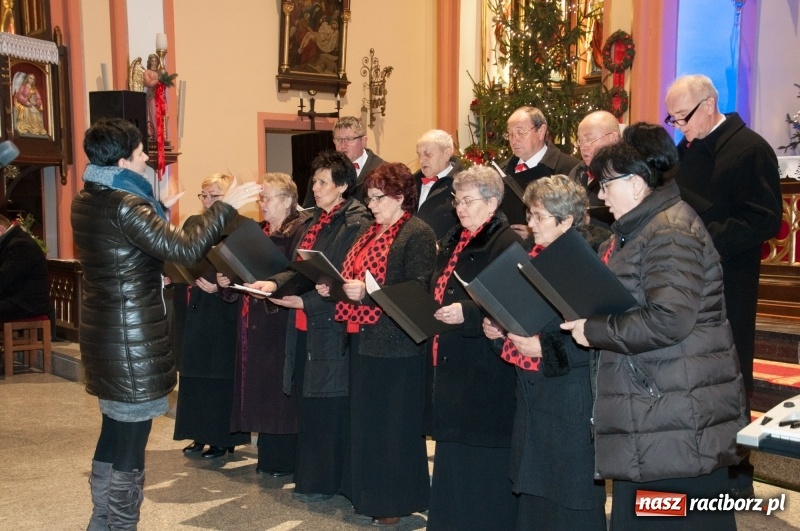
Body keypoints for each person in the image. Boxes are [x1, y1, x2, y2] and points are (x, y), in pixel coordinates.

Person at [71, 117, 260, 530]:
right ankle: (119, 525)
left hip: (105, 334)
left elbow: (123, 252)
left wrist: (156, 211)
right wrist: (227, 204)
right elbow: (186, 249)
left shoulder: (88, 198)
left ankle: (101, 522)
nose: (146, 160)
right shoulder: (126, 204)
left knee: (112, 431)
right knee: (131, 442)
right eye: (140, 153)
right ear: (122, 160)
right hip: (131, 339)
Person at [560, 122, 748, 530]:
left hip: (676, 412)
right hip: (655, 408)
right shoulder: (640, 229)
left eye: (607, 184)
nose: (601, 195)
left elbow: (669, 320)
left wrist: (594, 330)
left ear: (638, 182)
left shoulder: (670, 232)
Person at [665, 74, 782, 499]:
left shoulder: (750, 149)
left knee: (729, 377)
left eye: (684, 117)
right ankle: (692, 467)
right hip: (687, 280)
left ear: (709, 105)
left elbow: (765, 218)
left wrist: (706, 233)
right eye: (673, 119)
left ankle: (734, 477)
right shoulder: (685, 151)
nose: (680, 128)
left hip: (730, 280)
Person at [483, 175, 608, 530]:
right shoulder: (530, 259)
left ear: (566, 221)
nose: (530, 223)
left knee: (570, 493)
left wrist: (543, 347)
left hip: (571, 398)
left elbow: (600, 337)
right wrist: (497, 329)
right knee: (535, 492)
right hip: (534, 394)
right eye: (530, 214)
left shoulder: (586, 264)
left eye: (538, 216)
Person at [250, 150, 371, 503]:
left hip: (332, 325)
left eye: (321, 182)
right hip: (304, 325)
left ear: (343, 186)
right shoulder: (315, 220)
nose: (314, 188)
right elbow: (300, 267)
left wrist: (306, 302)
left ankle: (324, 480)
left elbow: (349, 278)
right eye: (313, 181)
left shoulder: (355, 223)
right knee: (307, 400)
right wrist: (272, 284)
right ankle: (310, 476)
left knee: (327, 404)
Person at [325, 162, 434, 526]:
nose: (371, 204)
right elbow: (352, 273)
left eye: (377, 197)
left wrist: (371, 294)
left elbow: (419, 288)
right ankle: (367, 494)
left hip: (398, 345)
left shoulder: (416, 232)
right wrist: (336, 287)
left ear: (400, 197)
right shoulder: (371, 231)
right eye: (369, 197)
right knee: (368, 424)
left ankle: (395, 501)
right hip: (363, 339)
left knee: (394, 428)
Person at [426, 165, 522, 531]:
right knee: (454, 453)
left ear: (493, 202)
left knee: (482, 458)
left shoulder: (506, 242)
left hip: (486, 365)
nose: (459, 208)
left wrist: (466, 312)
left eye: (468, 201)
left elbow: (511, 298)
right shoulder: (455, 238)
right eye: (456, 200)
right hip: (453, 358)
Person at [221, 172, 310, 477]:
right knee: (261, 391)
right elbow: (243, 268)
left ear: (287, 200)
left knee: (278, 393)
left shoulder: (300, 229)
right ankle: (269, 458)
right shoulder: (258, 230)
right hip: (253, 320)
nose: (262, 204)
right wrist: (227, 279)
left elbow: (298, 273)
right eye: (260, 198)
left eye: (267, 197)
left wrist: (271, 284)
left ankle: (283, 460)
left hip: (280, 319)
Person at [172, 174, 251, 459]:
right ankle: (198, 434)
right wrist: (174, 274)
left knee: (220, 375)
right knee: (194, 374)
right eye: (203, 195)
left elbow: (249, 268)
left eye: (214, 196)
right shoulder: (195, 223)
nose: (206, 201)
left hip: (224, 307)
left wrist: (222, 284)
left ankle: (222, 438)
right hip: (195, 305)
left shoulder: (243, 227)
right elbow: (182, 255)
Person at [501, 106, 580, 237]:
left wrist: (536, 232)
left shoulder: (570, 168)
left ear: (541, 131)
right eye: (510, 134)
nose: (514, 139)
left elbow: (577, 221)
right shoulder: (501, 171)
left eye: (520, 132)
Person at [301, 116, 383, 207]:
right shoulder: (321, 171)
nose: (343, 145)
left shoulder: (382, 170)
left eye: (349, 139)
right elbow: (309, 210)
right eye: (339, 140)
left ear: (363, 141)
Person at [569, 110, 621, 227]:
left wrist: (588, 221)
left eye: (589, 139)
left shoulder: (624, 175)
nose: (583, 147)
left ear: (613, 138)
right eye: (580, 141)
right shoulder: (578, 172)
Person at [413, 129, 462, 240]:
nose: (421, 160)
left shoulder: (462, 185)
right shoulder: (410, 183)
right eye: (419, 155)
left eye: (428, 154)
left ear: (446, 154)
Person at [0, 213, 50, 323]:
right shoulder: (10, 241)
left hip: (27, 303)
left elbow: (3, 278)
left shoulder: (20, 244)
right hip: (13, 298)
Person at [143, 54, 163, 139]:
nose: (154, 62)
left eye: (155, 61)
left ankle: (159, 132)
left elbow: (164, 83)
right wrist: (159, 79)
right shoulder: (147, 72)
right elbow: (149, 83)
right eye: (152, 60)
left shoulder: (161, 72)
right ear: (149, 61)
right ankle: (151, 132)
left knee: (160, 112)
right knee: (152, 112)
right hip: (151, 94)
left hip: (160, 94)